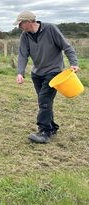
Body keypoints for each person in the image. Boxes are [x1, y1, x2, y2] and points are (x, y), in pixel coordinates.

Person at [14, 10, 79, 144]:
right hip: (37, 74)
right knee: (44, 102)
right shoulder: (25, 36)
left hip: (54, 72)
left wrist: (74, 63)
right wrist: (20, 72)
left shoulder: (50, 29)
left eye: (20, 24)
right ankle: (52, 127)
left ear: (28, 22)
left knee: (44, 100)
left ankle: (44, 132)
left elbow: (66, 47)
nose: (19, 26)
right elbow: (22, 55)